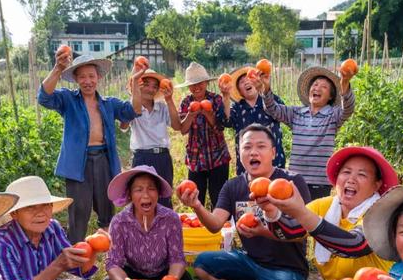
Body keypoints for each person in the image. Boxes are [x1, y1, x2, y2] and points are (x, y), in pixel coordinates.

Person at [261, 146, 399, 280]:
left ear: (376, 184)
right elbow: (291, 232)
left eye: (362, 174)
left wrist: (302, 213)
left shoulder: (380, 214)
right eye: (346, 172)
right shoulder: (325, 206)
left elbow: (354, 244)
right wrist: (271, 212)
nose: (351, 179)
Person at [180, 124, 311, 280]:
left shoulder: (290, 183)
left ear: (273, 152)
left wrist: (262, 232)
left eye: (261, 146)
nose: (253, 152)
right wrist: (196, 205)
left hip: (285, 269)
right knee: (203, 264)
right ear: (239, 153)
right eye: (247, 147)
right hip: (250, 262)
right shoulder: (233, 186)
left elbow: (300, 233)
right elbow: (215, 225)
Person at [38, 50, 146, 241]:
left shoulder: (108, 103)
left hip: (103, 159)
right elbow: (44, 98)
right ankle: (75, 256)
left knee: (106, 208)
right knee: (79, 211)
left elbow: (133, 111)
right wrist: (58, 68)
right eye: (82, 77)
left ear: (98, 77)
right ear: (76, 80)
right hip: (78, 163)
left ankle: (111, 251)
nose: (87, 81)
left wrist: (136, 81)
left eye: (91, 76)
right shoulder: (68, 99)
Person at [252, 65, 357, 200]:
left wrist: (344, 83)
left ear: (330, 96)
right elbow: (273, 109)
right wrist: (265, 89)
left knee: (313, 216)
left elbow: (348, 108)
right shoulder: (296, 113)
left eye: (324, 87)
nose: (317, 88)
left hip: (319, 181)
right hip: (295, 178)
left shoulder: (333, 116)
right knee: (294, 217)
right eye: (315, 84)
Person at [102, 166, 193, 280]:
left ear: (158, 193)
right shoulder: (119, 222)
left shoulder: (170, 219)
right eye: (138, 189)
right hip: (133, 275)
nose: (146, 195)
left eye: (151, 188)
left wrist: (172, 279)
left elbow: (177, 258)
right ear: (130, 195)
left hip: (162, 274)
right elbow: (113, 262)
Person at [122, 69, 181, 208]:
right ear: (138, 85)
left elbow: (177, 126)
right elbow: (123, 126)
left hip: (162, 157)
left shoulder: (162, 108)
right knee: (141, 198)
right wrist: (134, 95)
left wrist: (169, 99)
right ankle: (142, 229)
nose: (151, 89)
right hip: (142, 157)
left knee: (164, 197)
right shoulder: (131, 106)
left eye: (155, 86)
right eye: (146, 84)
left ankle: (164, 228)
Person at [178, 62, 231, 209]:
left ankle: (219, 228)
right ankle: (199, 229)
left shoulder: (216, 100)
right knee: (196, 201)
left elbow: (220, 128)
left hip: (218, 157)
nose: (196, 87)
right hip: (196, 159)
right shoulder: (186, 102)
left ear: (206, 82)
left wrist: (208, 113)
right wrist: (190, 114)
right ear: (188, 86)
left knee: (219, 199)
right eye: (192, 84)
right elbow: (183, 130)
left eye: (199, 83)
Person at [218, 66, 286, 175]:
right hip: (248, 164)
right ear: (239, 91)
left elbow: (282, 113)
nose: (246, 83)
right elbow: (226, 121)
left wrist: (263, 89)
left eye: (249, 79)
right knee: (250, 191)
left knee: (275, 189)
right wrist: (226, 97)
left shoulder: (270, 101)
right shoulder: (237, 107)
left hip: (274, 160)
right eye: (242, 82)